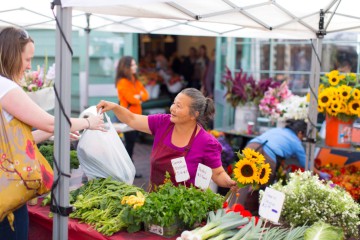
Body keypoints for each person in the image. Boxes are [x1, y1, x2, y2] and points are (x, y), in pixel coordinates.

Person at [0, 27, 104, 239]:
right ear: (11, 55)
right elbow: (51, 123)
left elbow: (18, 143)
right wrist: (87, 122)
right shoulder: (5, 87)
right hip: (7, 194)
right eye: (27, 59)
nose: (29, 66)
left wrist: (50, 134)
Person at [97, 88, 237, 190]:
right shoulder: (163, 123)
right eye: (174, 103)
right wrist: (114, 107)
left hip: (187, 209)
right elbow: (132, 119)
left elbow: (218, 173)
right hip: (155, 204)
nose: (172, 109)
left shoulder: (207, 142)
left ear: (194, 114)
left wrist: (230, 182)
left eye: (179, 106)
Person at [244, 119, 331, 215]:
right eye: (303, 136)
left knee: (243, 181)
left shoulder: (278, 130)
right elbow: (306, 164)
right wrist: (319, 173)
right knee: (258, 188)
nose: (302, 139)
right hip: (267, 155)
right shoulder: (296, 142)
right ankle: (249, 214)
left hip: (251, 146)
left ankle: (233, 209)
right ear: (300, 133)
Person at [115, 56, 149, 179]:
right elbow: (131, 99)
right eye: (133, 65)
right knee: (129, 144)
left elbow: (145, 95)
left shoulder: (134, 79)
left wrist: (139, 97)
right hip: (127, 117)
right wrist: (138, 97)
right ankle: (127, 170)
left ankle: (127, 169)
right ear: (126, 67)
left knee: (130, 144)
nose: (135, 67)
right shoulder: (123, 82)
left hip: (135, 117)